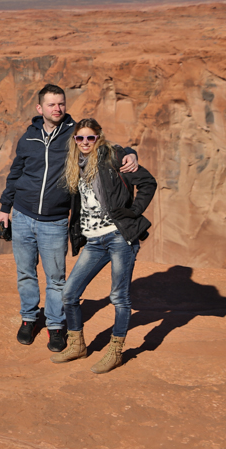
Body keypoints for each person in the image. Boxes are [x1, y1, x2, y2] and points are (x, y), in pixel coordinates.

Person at [0, 84, 138, 352]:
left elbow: (107, 145)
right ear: (40, 108)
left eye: (61, 103)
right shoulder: (29, 137)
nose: (57, 108)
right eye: (51, 104)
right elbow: (15, 174)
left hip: (55, 220)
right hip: (23, 215)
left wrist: (131, 153)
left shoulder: (74, 134)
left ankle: (55, 325)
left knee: (56, 278)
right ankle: (29, 318)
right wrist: (5, 208)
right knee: (25, 272)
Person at [52, 118, 157, 373]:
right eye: (80, 138)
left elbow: (147, 183)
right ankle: (77, 345)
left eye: (90, 137)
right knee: (70, 293)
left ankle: (115, 350)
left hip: (119, 237)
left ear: (98, 137)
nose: (85, 142)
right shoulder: (75, 165)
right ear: (75, 140)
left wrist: (132, 212)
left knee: (119, 297)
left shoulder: (114, 158)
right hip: (94, 241)